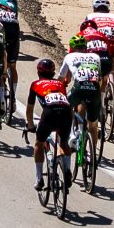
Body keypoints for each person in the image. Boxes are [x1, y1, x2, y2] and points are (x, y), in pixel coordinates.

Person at [28, 57, 76, 188]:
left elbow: (30, 109)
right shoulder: (60, 85)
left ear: (38, 73)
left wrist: (30, 125)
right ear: (54, 73)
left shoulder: (35, 84)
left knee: (39, 143)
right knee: (64, 143)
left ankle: (39, 179)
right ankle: (66, 170)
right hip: (66, 112)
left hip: (49, 113)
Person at [59, 35, 107, 150]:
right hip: (94, 89)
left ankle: (71, 135)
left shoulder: (70, 56)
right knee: (93, 124)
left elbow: (61, 79)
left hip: (79, 87)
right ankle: (93, 155)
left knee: (66, 106)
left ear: (72, 48)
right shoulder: (95, 56)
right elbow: (99, 78)